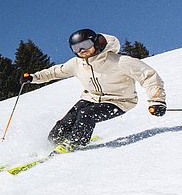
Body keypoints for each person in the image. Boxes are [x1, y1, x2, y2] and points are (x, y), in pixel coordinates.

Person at [21, 29, 166, 149]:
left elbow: (149, 77)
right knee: (67, 120)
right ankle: (51, 145)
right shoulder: (77, 63)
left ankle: (75, 143)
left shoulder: (119, 61)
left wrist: (156, 101)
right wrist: (33, 77)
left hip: (120, 101)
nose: (82, 50)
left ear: (96, 42)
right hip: (91, 98)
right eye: (76, 48)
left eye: (85, 44)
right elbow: (55, 72)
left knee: (86, 114)